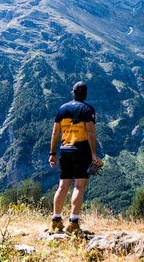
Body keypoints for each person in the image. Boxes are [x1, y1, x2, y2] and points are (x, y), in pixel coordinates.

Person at [48, 81, 104, 234]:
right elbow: (90, 132)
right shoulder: (87, 109)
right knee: (79, 186)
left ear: (72, 93)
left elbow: (55, 133)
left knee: (62, 186)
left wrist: (52, 153)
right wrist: (93, 154)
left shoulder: (62, 109)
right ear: (85, 94)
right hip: (81, 151)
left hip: (64, 151)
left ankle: (56, 221)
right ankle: (73, 223)